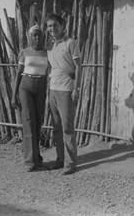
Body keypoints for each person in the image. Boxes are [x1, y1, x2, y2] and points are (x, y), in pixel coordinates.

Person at [45, 13, 81, 175]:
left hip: (66, 90)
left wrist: (76, 88)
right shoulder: (49, 45)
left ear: (62, 26)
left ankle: (70, 164)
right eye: (49, 26)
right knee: (57, 128)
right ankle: (60, 160)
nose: (52, 28)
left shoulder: (70, 43)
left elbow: (78, 66)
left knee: (67, 128)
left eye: (55, 25)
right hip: (53, 90)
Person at [12, 25, 48, 172]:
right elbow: (19, 73)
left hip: (40, 88)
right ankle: (29, 161)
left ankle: (37, 158)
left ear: (43, 36)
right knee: (28, 122)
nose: (37, 38)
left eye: (39, 35)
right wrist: (14, 95)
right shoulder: (25, 52)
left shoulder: (48, 53)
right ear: (30, 37)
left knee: (38, 121)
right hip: (25, 87)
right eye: (34, 35)